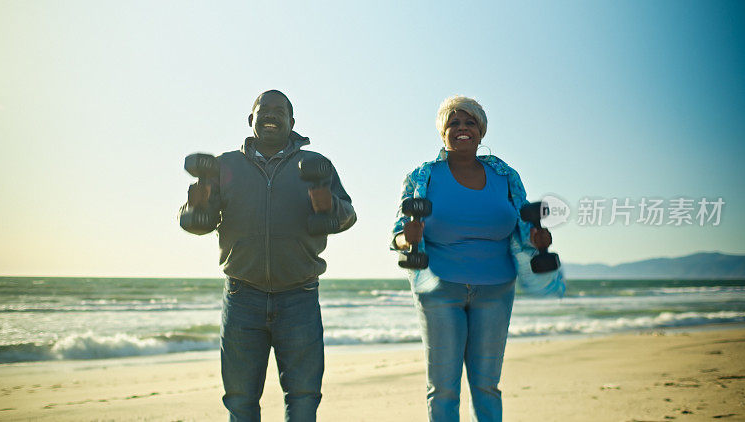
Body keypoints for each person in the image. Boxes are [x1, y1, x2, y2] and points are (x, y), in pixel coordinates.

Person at [179, 90, 356, 421]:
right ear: (251, 120)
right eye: (264, 110)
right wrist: (195, 206)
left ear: (292, 122)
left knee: (303, 398)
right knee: (240, 399)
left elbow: (347, 215)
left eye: (280, 111)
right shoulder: (223, 165)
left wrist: (328, 205)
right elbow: (196, 223)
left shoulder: (317, 164)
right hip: (242, 296)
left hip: (299, 296)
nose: (271, 115)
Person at [391, 95, 564, 421]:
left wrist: (537, 238)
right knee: (443, 388)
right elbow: (398, 236)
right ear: (443, 132)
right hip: (439, 287)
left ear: (481, 131)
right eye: (453, 122)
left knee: (487, 386)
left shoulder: (505, 176)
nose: (462, 128)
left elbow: (524, 227)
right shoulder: (422, 177)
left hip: (496, 289)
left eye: (469, 122)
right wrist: (407, 238)